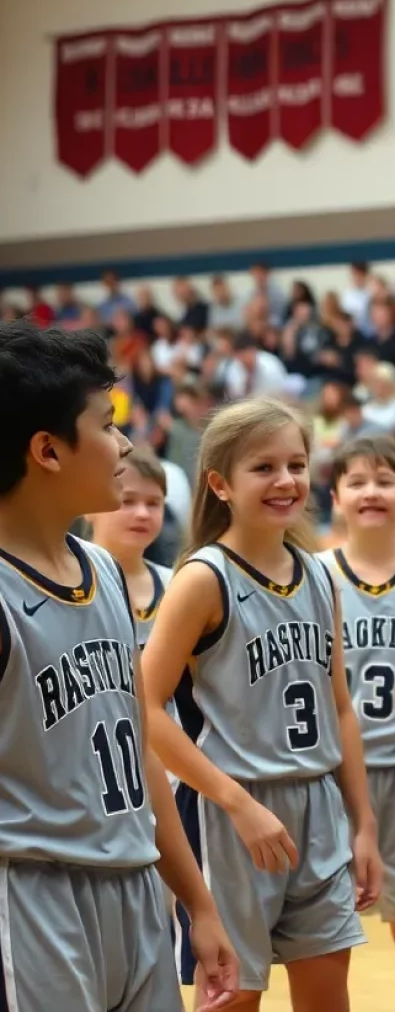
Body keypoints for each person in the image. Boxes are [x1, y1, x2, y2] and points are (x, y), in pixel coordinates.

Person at [0, 322, 237, 1010]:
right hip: (34, 889)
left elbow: (138, 757)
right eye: (107, 425)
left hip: (137, 885)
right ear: (47, 449)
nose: (126, 444)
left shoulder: (103, 568)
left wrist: (199, 904)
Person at [141, 396, 383, 1011]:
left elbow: (341, 709)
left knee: (328, 999)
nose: (286, 481)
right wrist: (237, 802)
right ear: (220, 483)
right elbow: (141, 708)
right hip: (232, 815)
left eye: (297, 465)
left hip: (317, 809)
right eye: (265, 468)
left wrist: (365, 824)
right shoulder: (204, 578)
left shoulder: (320, 574)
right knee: (233, 1000)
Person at [317, 437, 395, 1012]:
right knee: (322, 944)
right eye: (358, 481)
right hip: (333, 780)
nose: (372, 492)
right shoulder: (313, 575)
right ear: (336, 495)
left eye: (385, 480)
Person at [85, 446, 173, 649]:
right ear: (89, 508)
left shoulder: (176, 585)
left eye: (153, 503)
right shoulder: (69, 585)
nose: (142, 513)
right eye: (127, 501)